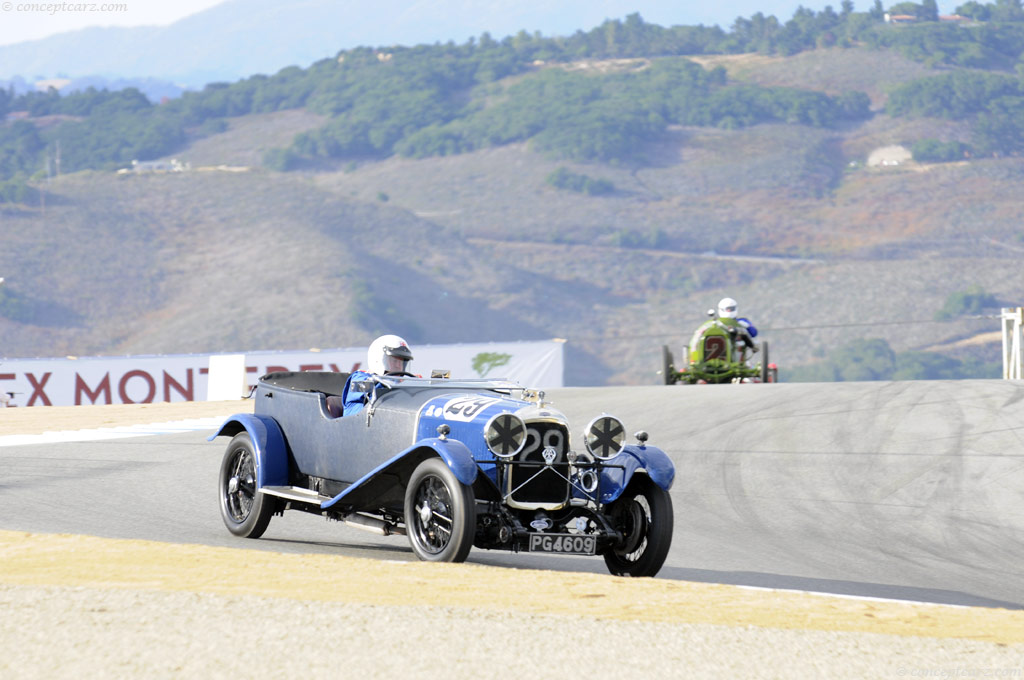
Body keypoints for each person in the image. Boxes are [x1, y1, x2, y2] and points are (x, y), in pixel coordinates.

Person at [340, 334, 414, 416]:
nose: (398, 366)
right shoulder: (359, 379)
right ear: (378, 360)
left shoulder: (399, 384)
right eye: (394, 361)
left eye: (401, 362)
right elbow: (375, 390)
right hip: (357, 426)